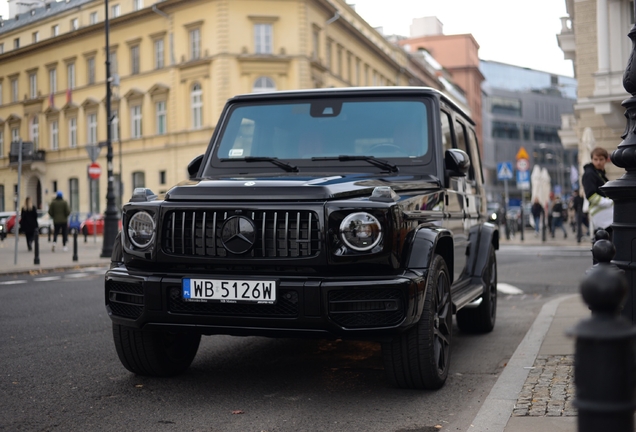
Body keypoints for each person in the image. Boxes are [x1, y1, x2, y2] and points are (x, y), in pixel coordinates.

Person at [582, 147, 613, 236]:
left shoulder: (599, 173)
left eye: (601, 159)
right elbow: (591, 195)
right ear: (592, 159)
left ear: (606, 160)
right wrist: (610, 202)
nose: (598, 162)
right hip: (601, 215)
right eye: (595, 159)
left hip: (605, 215)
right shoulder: (590, 174)